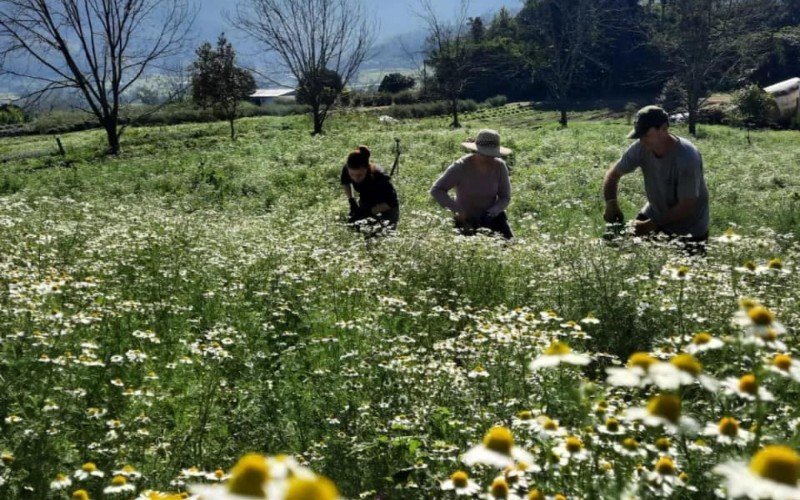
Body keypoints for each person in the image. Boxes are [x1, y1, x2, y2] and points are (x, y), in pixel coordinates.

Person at [603, 105, 709, 253]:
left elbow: (687, 206)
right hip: (657, 211)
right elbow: (613, 174)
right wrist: (611, 203)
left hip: (690, 227)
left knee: (687, 272)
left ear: (663, 129)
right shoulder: (640, 147)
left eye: (645, 135)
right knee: (626, 250)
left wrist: (649, 225)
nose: (641, 140)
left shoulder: (686, 157)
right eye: (639, 136)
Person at [430, 129, 513, 239]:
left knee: (510, 247)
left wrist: (492, 212)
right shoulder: (460, 166)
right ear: (477, 151)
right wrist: (457, 210)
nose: (490, 157)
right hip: (466, 220)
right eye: (486, 154)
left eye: (492, 155)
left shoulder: (500, 166)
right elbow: (437, 190)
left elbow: (505, 196)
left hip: (492, 217)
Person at [341, 145, 399, 232]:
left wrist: (368, 212)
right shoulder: (347, 169)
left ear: (367, 169)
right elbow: (346, 183)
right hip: (366, 200)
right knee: (361, 232)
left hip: (386, 208)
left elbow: (391, 203)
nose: (355, 178)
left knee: (383, 235)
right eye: (352, 175)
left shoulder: (379, 177)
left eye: (359, 175)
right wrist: (352, 201)